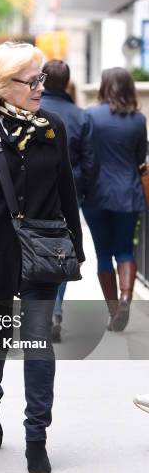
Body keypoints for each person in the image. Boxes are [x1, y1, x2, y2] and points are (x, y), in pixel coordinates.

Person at [0, 42, 84, 473]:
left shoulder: (53, 127)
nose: (39, 88)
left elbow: (66, 188)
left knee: (37, 343)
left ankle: (36, 437)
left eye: (41, 78)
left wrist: (76, 248)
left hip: (43, 253)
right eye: (31, 80)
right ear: (2, 85)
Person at [82, 67, 147, 332]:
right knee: (125, 250)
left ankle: (113, 310)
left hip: (96, 194)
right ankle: (126, 297)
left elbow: (84, 153)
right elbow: (140, 158)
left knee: (103, 254)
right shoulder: (138, 120)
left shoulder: (90, 116)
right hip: (128, 194)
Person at [41, 59, 97, 341]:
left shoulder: (33, 110)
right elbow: (90, 162)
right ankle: (55, 308)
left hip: (34, 193)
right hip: (69, 191)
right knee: (62, 250)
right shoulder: (80, 115)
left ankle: (39, 307)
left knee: (33, 245)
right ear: (67, 82)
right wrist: (82, 191)